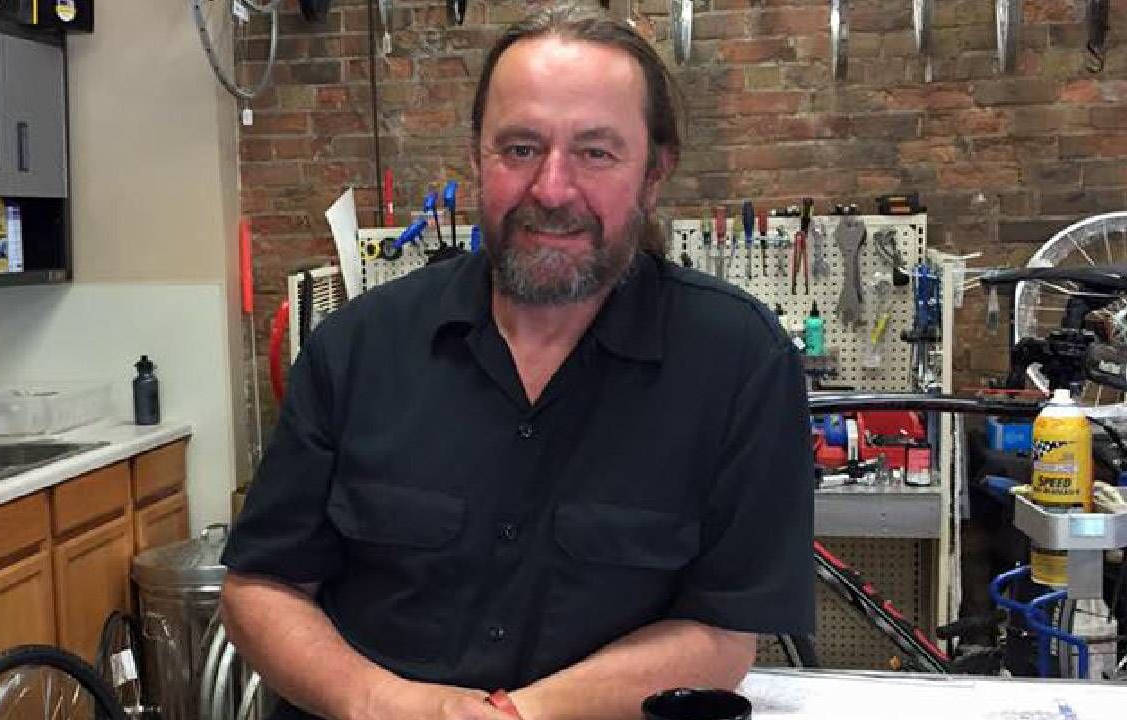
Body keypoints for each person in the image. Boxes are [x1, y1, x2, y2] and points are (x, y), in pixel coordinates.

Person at [220, 5, 814, 720]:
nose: (553, 190)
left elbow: (721, 635)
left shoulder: (739, 364)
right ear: (476, 158)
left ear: (654, 172)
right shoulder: (355, 348)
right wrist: (385, 704)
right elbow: (260, 589)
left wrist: (515, 715)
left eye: (596, 152)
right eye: (521, 148)